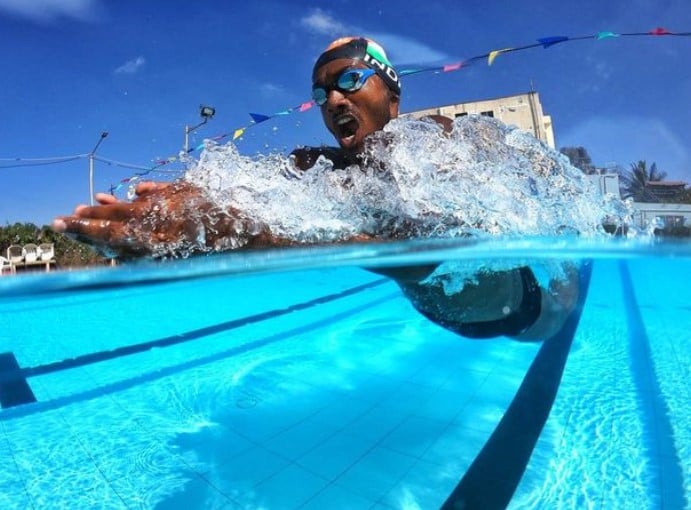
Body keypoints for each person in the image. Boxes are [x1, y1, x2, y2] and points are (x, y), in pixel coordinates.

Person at [53, 36, 583, 341]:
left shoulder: (438, 143)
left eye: (349, 80)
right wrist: (191, 203)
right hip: (448, 313)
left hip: (524, 305)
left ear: (392, 95)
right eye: (321, 90)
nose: (332, 99)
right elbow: (253, 188)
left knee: (567, 299)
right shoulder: (320, 166)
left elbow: (419, 240)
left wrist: (245, 233)